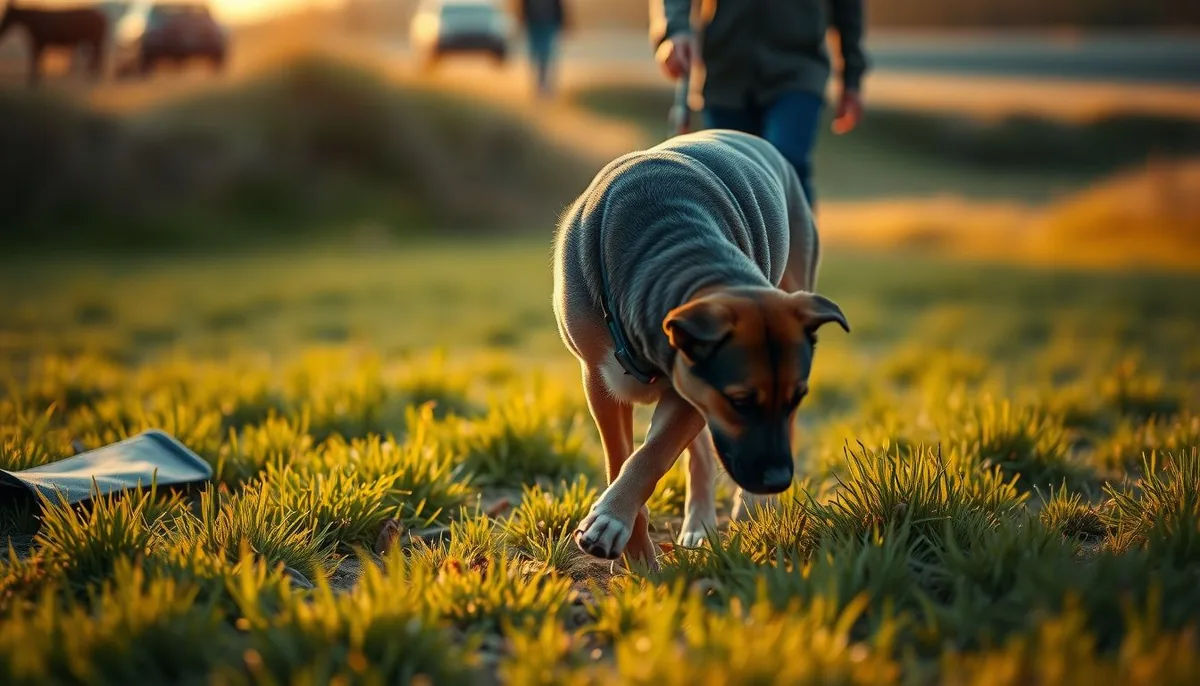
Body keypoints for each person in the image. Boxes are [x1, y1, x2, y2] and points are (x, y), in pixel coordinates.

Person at [650, 0, 869, 209]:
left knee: (785, 165)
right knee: (729, 182)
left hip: (799, 68)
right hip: (725, 72)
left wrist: (852, 75)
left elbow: (847, 6)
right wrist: (675, 30)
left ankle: (796, 247)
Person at [515, 0, 568, 99]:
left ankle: (544, 86)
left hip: (544, 23)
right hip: (538, 24)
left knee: (543, 55)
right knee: (542, 56)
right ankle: (541, 86)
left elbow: (558, 6)